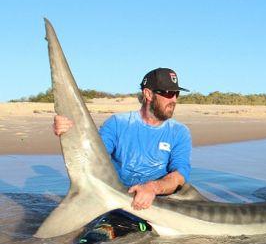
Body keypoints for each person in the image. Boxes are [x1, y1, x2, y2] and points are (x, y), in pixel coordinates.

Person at [53, 67, 192, 211]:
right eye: (168, 93)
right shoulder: (117, 124)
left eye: (176, 93)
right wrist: (69, 130)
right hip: (117, 198)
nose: (174, 99)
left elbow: (180, 175)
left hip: (158, 203)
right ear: (148, 94)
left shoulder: (179, 132)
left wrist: (152, 188)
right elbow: (92, 158)